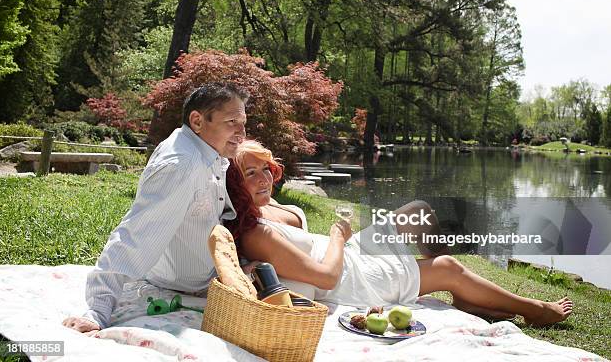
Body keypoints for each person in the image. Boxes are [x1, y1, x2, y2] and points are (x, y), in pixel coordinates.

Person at [225, 140, 574, 327]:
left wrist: (341, 241)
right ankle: (533, 308)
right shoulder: (255, 233)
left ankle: (462, 290)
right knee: (448, 266)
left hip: (350, 251)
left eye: (265, 169)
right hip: (348, 276)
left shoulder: (271, 206)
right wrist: (336, 236)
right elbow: (325, 278)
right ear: (235, 185)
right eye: (250, 173)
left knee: (418, 211)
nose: (263, 178)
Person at [63, 82, 249, 335]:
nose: (241, 133)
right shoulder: (182, 165)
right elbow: (135, 235)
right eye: (232, 122)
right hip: (182, 285)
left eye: (243, 123)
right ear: (197, 121)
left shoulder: (202, 148)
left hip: (212, 274)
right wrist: (98, 309)